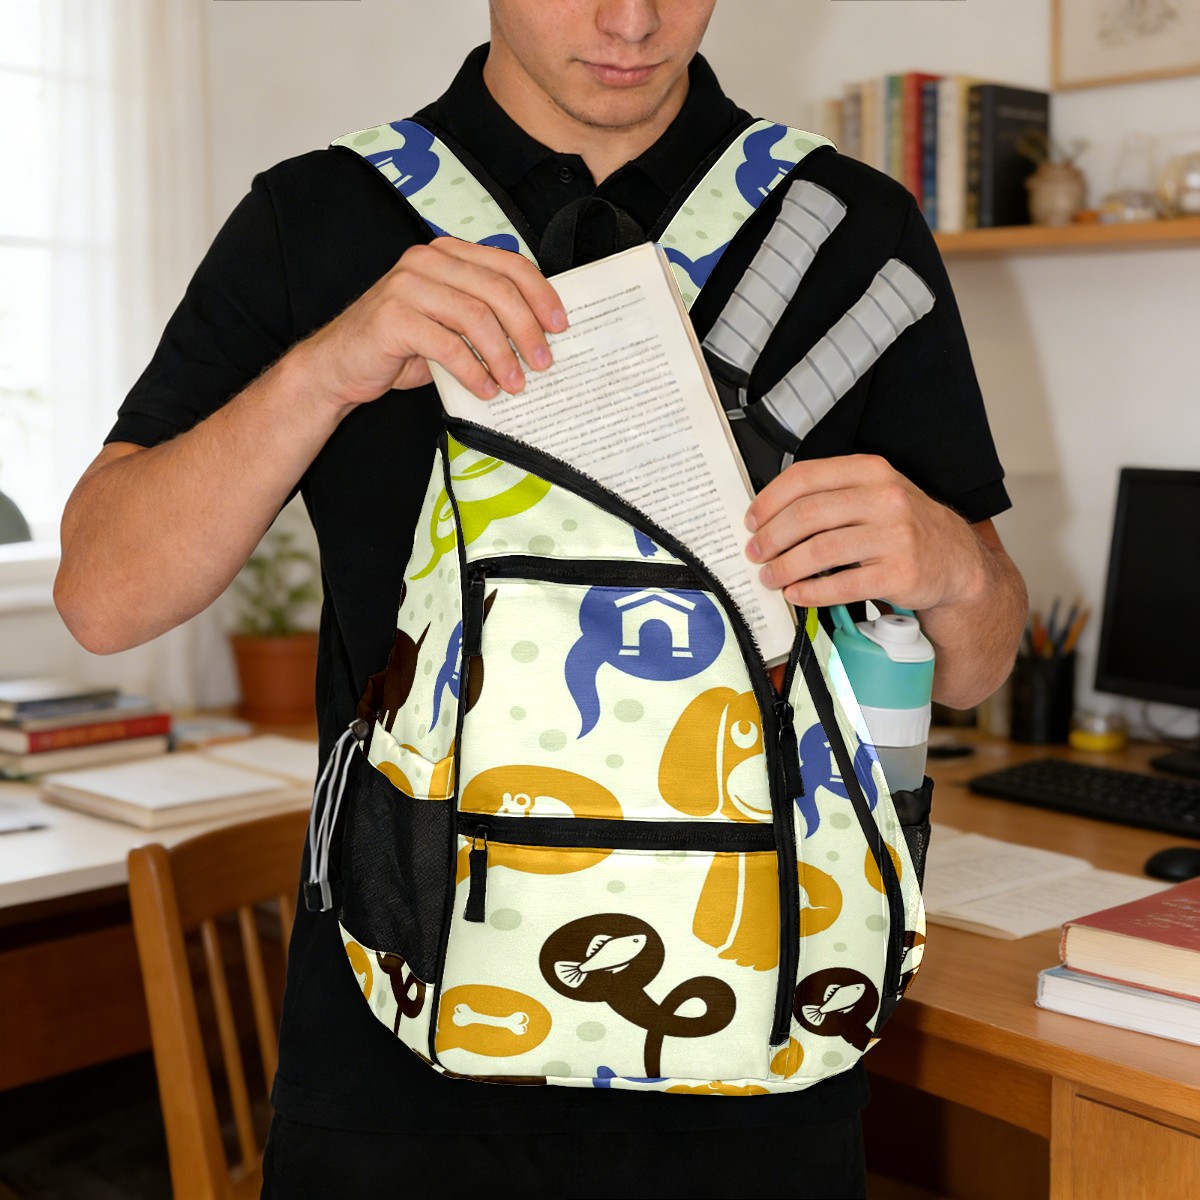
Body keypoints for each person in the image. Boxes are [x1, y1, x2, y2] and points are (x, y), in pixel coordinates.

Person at [55, 2, 1027, 1195]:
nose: (631, 19)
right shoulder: (319, 217)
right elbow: (103, 598)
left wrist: (955, 565)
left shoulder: (849, 228)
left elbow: (979, 663)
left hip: (767, 1061)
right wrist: (324, 371)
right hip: (396, 1081)